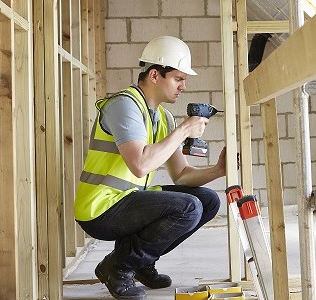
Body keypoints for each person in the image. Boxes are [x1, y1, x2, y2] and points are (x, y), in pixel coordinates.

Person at [74, 35, 228, 300]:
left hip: (128, 202)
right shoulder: (125, 105)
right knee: (188, 208)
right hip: (100, 209)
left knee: (208, 200)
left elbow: (181, 175)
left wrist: (218, 170)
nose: (183, 87)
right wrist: (183, 131)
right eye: (178, 79)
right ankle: (118, 267)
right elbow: (140, 165)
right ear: (155, 75)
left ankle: (141, 264)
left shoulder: (162, 117)